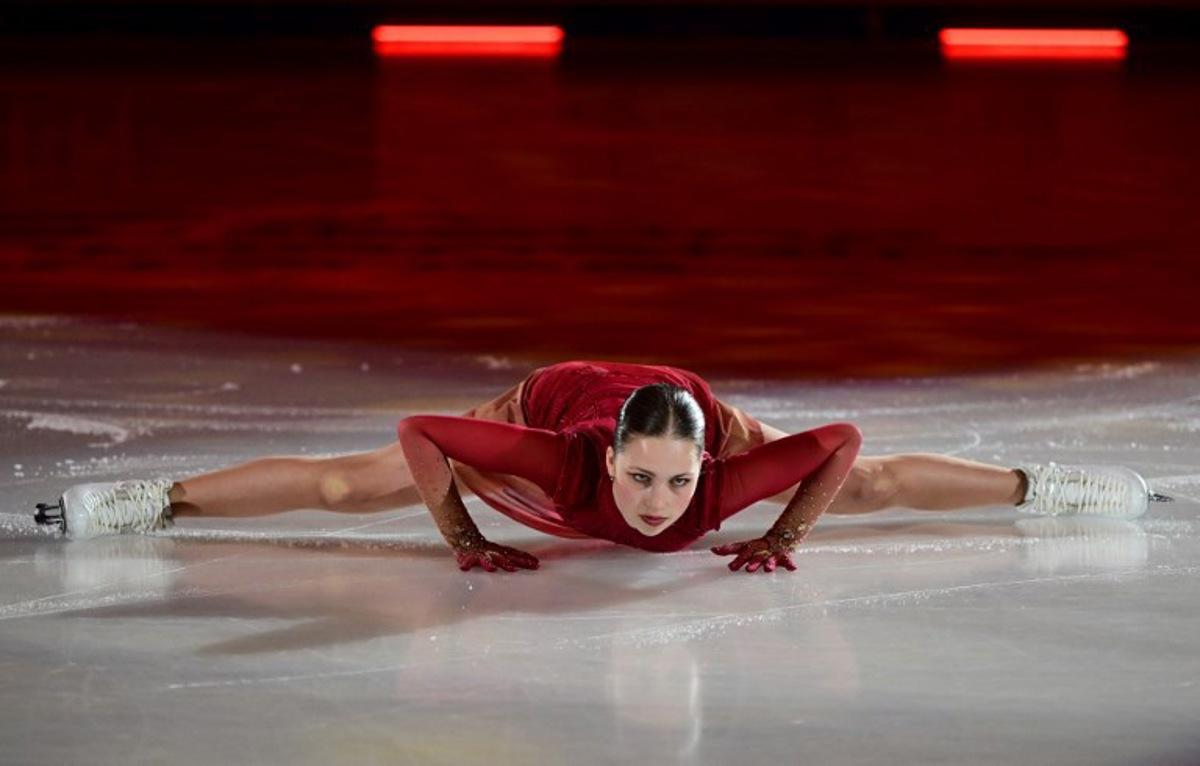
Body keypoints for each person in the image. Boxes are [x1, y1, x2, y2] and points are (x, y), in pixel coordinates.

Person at [33, 359, 1171, 574]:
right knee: (353, 485)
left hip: (698, 401)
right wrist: (468, 538)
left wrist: (781, 533)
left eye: (674, 488)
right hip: (554, 389)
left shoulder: (712, 474)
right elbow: (423, 427)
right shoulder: (560, 462)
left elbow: (845, 450)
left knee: (868, 494)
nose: (656, 507)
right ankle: (144, 501)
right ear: (608, 457)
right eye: (641, 480)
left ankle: (1059, 486)